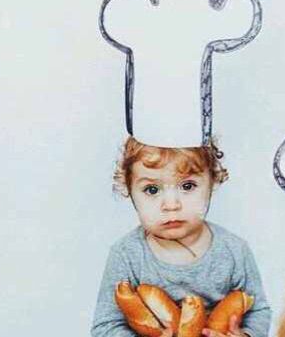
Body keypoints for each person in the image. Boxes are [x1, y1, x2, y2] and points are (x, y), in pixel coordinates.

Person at [90, 137, 272, 337]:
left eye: (187, 186)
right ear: (129, 191)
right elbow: (105, 327)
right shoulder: (127, 255)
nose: (171, 205)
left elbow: (259, 311)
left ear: (212, 182)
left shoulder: (234, 251)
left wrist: (246, 335)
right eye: (152, 190)